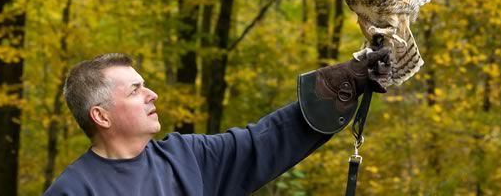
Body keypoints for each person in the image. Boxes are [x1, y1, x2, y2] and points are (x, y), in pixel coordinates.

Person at [44, 49, 391, 196]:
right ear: (101, 116)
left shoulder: (186, 158)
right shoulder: (74, 190)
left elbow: (264, 142)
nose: (152, 95)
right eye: (135, 90)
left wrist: (344, 84)